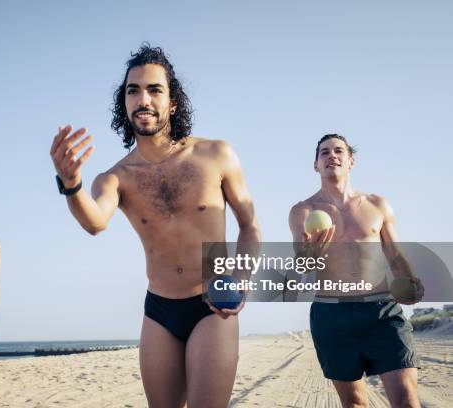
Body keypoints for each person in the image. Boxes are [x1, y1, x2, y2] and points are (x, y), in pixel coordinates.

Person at [50, 44, 260, 407]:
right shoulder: (116, 178)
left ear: (172, 102)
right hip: (158, 310)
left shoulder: (216, 155)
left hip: (212, 305)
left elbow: (250, 226)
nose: (142, 99)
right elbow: (94, 221)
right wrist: (71, 184)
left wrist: (240, 281)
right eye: (133, 91)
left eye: (154, 89)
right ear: (124, 104)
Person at [288, 134, 423, 408]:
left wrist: (410, 282)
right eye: (324, 152)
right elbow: (299, 271)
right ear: (316, 165)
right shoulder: (303, 210)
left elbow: (394, 254)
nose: (331, 156)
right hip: (331, 313)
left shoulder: (377, 205)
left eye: (338, 151)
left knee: (407, 400)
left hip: (382, 310)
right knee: (354, 404)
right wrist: (310, 257)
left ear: (351, 161)